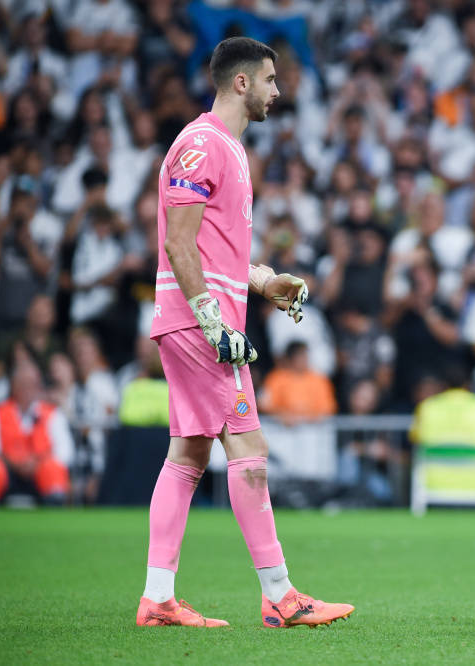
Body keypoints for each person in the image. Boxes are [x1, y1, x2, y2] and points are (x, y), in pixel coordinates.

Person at [139, 37, 353, 629]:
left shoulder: (227, 148)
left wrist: (262, 281)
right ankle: (281, 595)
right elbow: (177, 243)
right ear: (241, 82)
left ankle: (158, 598)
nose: (277, 91)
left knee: (188, 454)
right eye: (270, 80)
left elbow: (215, 250)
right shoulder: (201, 144)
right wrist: (213, 322)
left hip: (198, 317)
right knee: (250, 452)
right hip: (200, 324)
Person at [0, 362, 75, 506]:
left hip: (40, 471)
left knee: (53, 468)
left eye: (32, 384)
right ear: (14, 386)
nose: (28, 389)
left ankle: (55, 507)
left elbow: (65, 452)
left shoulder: (53, 414)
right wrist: (16, 464)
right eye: (23, 384)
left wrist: (36, 462)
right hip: (8, 470)